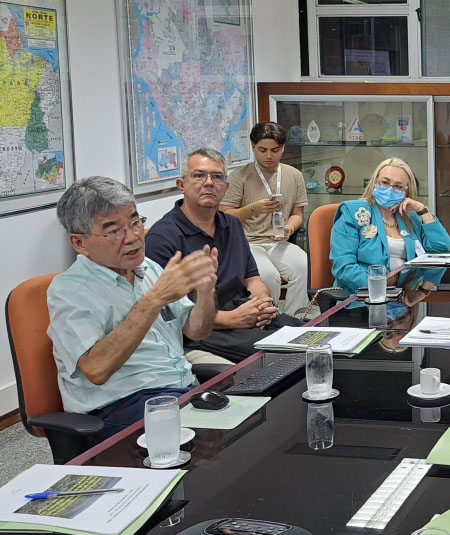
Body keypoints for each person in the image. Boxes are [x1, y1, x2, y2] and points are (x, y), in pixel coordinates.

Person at [47, 177, 218, 439]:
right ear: (80, 243)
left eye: (135, 222)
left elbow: (197, 331)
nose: (132, 237)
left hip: (178, 391)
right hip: (118, 407)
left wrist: (206, 293)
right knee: (216, 443)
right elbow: (96, 369)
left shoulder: (149, 268)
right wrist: (154, 299)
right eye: (113, 230)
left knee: (251, 414)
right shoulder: (68, 291)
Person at [147, 149, 306, 362]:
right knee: (285, 357)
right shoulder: (162, 238)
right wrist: (231, 319)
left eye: (217, 176)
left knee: (311, 335)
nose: (209, 182)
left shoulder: (231, 224)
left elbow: (253, 279)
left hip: (244, 315)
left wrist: (261, 302)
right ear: (181, 185)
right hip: (204, 332)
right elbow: (167, 315)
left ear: (226, 187)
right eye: (198, 175)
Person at [220, 122, 309, 316]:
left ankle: (296, 317)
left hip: (278, 241)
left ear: (283, 148)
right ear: (253, 148)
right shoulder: (239, 176)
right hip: (248, 243)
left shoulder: (294, 175)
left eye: (275, 150)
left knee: (302, 263)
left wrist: (288, 229)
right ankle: (271, 318)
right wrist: (253, 209)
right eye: (262, 150)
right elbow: (225, 215)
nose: (269, 156)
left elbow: (297, 214)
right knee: (269, 276)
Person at [330, 158, 450, 294]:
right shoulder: (353, 212)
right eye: (385, 183)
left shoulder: (410, 217)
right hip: (360, 299)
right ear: (375, 182)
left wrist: (421, 209)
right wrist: (381, 288)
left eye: (398, 186)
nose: (389, 190)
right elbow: (343, 267)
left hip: (403, 296)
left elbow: (440, 246)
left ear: (407, 191)